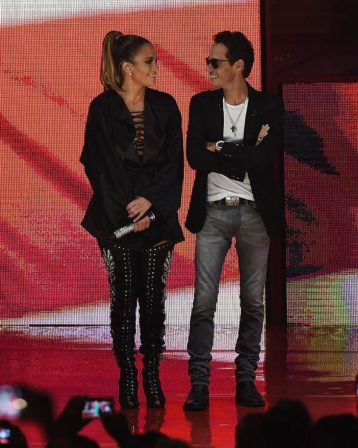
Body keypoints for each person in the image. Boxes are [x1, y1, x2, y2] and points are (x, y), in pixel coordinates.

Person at [80, 31, 184, 409]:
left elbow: (174, 166)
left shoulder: (167, 106)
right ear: (127, 67)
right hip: (115, 219)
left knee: (153, 300)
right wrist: (129, 209)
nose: (156, 67)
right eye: (149, 61)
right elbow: (99, 166)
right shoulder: (103, 108)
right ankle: (127, 376)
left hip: (158, 220)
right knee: (123, 298)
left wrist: (152, 206)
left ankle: (152, 375)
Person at [184, 31, 283, 410]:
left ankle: (246, 381)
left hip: (255, 214)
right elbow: (196, 156)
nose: (208, 68)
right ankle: (200, 384)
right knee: (204, 301)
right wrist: (242, 147)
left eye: (215, 62)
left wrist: (219, 147)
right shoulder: (201, 104)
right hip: (212, 212)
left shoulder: (269, 106)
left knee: (252, 302)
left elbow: (265, 159)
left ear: (238, 66)